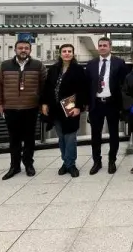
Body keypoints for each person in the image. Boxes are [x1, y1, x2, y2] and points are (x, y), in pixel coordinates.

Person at [0, 39, 47, 180]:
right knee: (14, 139)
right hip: (10, 108)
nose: (23, 50)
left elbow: (44, 86)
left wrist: (43, 104)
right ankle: (14, 166)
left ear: (30, 50)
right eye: (20, 48)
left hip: (31, 107)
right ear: (15, 49)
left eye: (26, 48)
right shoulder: (4, 65)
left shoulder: (38, 65)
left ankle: (29, 164)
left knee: (29, 139)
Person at [41, 44, 88, 178]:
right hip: (55, 109)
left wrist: (79, 106)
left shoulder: (78, 69)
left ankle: (71, 164)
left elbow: (82, 90)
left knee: (70, 137)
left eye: (69, 51)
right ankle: (65, 162)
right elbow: (47, 87)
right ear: (60, 53)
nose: (67, 53)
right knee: (61, 137)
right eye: (64, 51)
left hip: (70, 108)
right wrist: (44, 103)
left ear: (73, 54)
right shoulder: (54, 69)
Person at [85, 37, 126, 175]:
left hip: (112, 104)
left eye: (105, 45)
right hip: (96, 104)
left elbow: (124, 85)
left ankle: (112, 161)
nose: (102, 47)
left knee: (114, 134)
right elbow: (87, 86)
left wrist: (122, 105)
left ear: (110, 47)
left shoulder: (119, 63)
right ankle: (97, 161)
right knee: (95, 135)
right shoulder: (90, 64)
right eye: (100, 45)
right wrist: (87, 105)